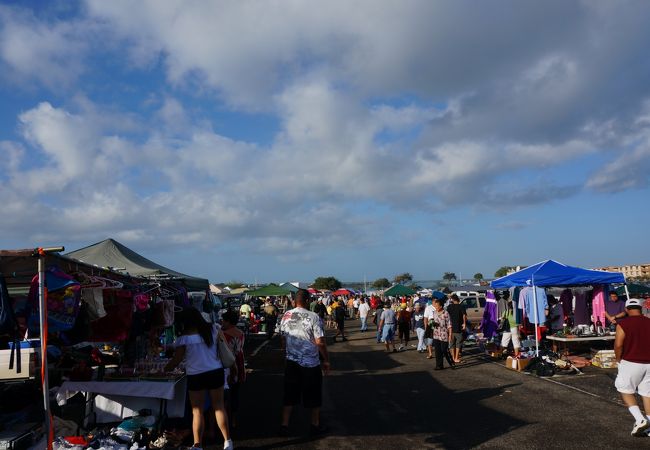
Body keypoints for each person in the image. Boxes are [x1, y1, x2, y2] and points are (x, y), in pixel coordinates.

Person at [164, 308, 233, 450]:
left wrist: (165, 369)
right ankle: (228, 442)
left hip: (196, 376)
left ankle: (198, 445)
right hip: (215, 372)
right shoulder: (213, 329)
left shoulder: (184, 337)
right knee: (219, 407)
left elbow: (176, 360)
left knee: (197, 411)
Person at [277, 289, 330, 437]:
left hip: (291, 361)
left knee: (289, 394)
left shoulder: (286, 316)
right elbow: (320, 342)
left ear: (294, 301)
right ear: (307, 301)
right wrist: (326, 360)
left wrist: (285, 355)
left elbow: (282, 339)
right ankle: (314, 426)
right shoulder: (314, 317)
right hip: (310, 364)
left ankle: (284, 425)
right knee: (314, 395)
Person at [614, 298, 650, 437]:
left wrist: (618, 360)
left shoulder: (623, 323)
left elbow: (618, 345)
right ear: (640, 309)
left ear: (626, 310)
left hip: (631, 361)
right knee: (647, 393)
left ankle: (640, 419)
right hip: (649, 363)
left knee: (624, 388)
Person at [221, 310, 246, 431]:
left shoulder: (224, 334)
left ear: (228, 321)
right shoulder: (240, 333)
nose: (222, 323)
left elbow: (227, 354)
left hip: (228, 364)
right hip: (239, 362)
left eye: (224, 321)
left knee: (224, 395)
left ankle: (225, 421)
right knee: (235, 394)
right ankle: (234, 420)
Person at [431, 298, 454, 370]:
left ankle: (451, 362)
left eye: (437, 306)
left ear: (441, 306)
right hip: (436, 334)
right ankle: (439, 365)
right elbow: (432, 323)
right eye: (435, 306)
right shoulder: (434, 312)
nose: (436, 307)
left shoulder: (446, 313)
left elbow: (449, 325)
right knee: (437, 351)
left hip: (444, 334)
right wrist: (432, 324)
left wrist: (450, 335)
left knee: (444, 350)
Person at [446, 294, 466, 363]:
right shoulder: (461, 306)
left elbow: (447, 317)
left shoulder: (449, 307)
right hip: (458, 328)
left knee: (452, 343)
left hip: (450, 328)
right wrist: (464, 324)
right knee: (458, 343)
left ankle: (453, 357)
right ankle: (456, 358)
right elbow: (464, 316)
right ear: (458, 299)